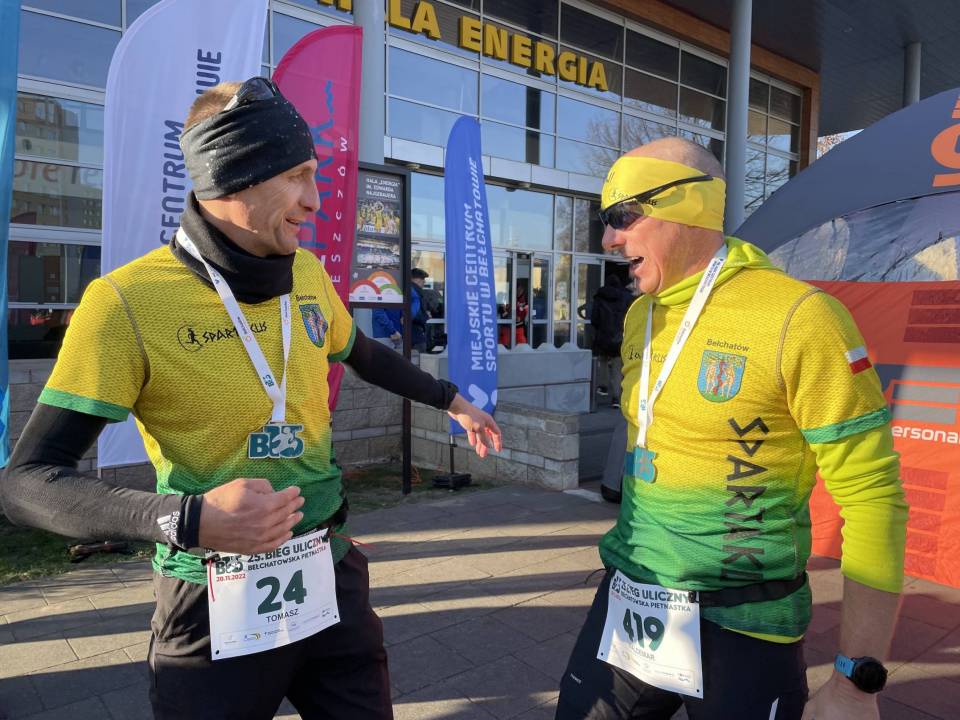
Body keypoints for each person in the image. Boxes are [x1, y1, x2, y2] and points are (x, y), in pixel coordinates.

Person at [0, 77, 502, 720]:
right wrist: (189, 520)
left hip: (329, 573)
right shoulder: (126, 302)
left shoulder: (307, 273)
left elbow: (361, 353)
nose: (315, 200)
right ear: (232, 175)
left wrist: (451, 400)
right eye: (297, 176)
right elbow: (26, 484)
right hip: (212, 601)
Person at [556, 137, 907, 720]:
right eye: (605, 221)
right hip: (634, 596)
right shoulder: (642, 313)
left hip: (745, 619)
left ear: (689, 204)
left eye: (623, 215)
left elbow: (873, 498)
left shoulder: (801, 318)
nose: (609, 239)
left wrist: (856, 681)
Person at [590, 274, 632, 408]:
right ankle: (615, 398)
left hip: (603, 336)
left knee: (602, 361)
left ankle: (603, 386)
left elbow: (594, 319)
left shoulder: (599, 297)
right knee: (617, 367)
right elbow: (629, 318)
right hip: (619, 337)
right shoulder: (626, 297)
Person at [410, 267, 430, 352]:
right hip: (415, 334)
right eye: (423, 279)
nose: (424, 282)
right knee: (418, 357)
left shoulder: (406, 289)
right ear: (417, 279)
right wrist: (426, 316)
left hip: (408, 334)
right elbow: (414, 315)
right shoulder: (415, 292)